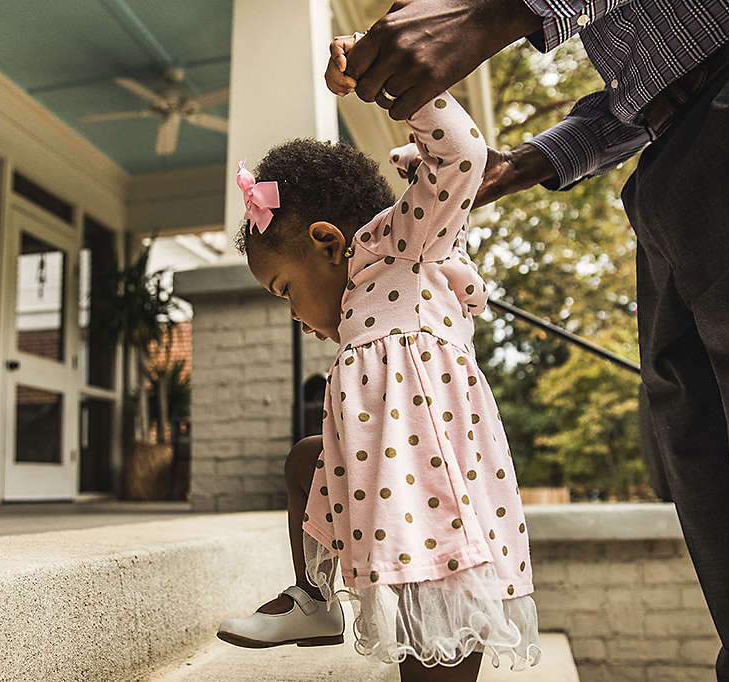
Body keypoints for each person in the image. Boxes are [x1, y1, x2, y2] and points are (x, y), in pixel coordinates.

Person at [337, 0, 729, 679]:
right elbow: (637, 89)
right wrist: (519, 165)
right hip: (675, 153)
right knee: (716, 486)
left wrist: (493, 14)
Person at [215, 37, 541, 681]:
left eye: (286, 291)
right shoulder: (363, 295)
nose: (294, 317)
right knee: (307, 461)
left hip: (430, 486)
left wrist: (387, 78)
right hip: (381, 469)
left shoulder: (404, 246)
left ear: (327, 243)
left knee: (435, 625)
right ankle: (315, 600)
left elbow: (463, 156)